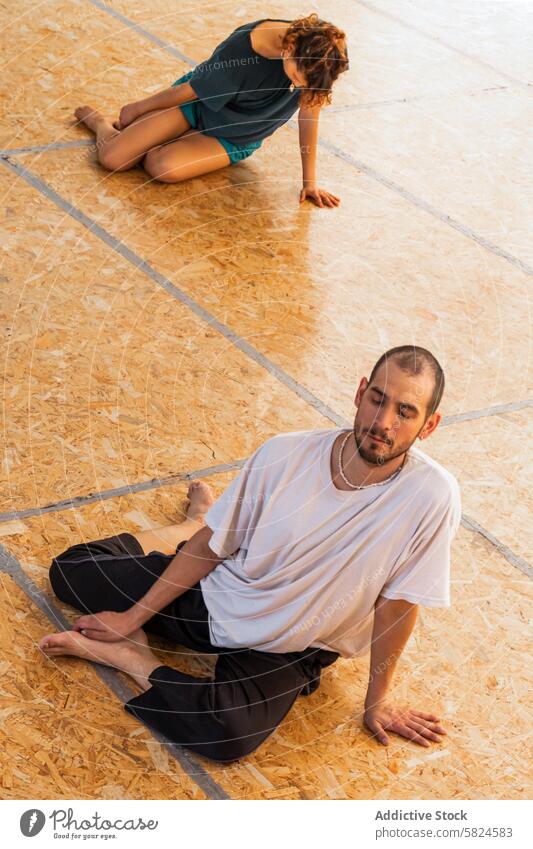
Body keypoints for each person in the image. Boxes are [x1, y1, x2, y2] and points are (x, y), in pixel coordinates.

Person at [40, 345, 461, 762]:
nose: (383, 421)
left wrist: (377, 701)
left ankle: (134, 659)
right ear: (360, 392)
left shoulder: (431, 497)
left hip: (296, 644)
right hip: (226, 594)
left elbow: (398, 604)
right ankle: (193, 524)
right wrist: (132, 617)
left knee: (227, 735)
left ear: (429, 425)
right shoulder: (284, 453)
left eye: (405, 412)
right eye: (377, 400)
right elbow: (216, 547)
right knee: (70, 572)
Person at [72, 14, 348, 207]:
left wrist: (309, 182)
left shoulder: (325, 60)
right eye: (298, 78)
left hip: (234, 136)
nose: (299, 87)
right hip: (198, 103)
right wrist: (136, 109)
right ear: (289, 50)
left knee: (161, 167)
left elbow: (310, 116)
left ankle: (163, 138)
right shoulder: (246, 45)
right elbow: (192, 90)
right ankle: (100, 123)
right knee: (113, 159)